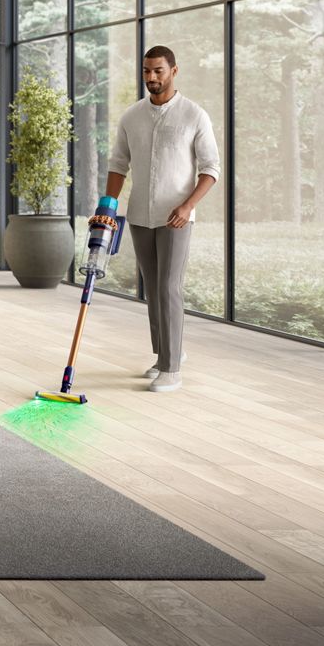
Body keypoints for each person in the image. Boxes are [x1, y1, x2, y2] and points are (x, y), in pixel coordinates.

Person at [106, 45, 219, 393]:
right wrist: (106, 208)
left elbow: (211, 169)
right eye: (146, 71)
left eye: (158, 71)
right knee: (153, 289)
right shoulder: (131, 117)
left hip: (177, 217)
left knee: (169, 287)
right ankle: (164, 355)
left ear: (174, 71)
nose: (151, 77)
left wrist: (187, 207)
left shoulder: (194, 115)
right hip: (140, 214)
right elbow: (117, 165)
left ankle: (172, 368)